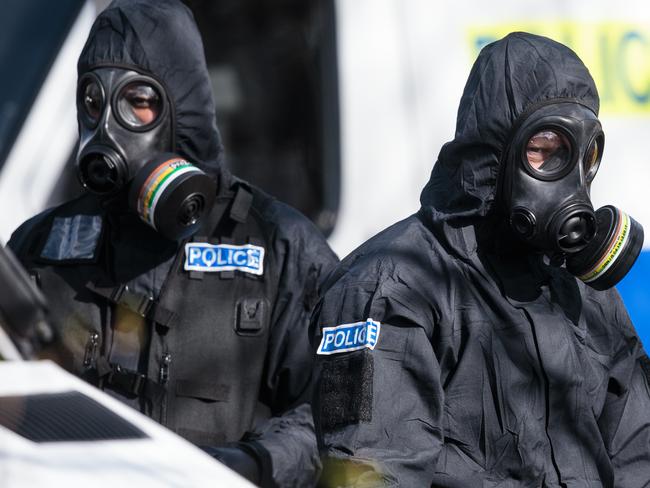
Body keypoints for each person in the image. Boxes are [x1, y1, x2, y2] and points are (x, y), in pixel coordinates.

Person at [7, 1, 338, 486]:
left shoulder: (279, 246)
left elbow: (336, 414)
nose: (107, 130)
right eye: (94, 104)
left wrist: (247, 465)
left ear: (184, 109)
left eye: (136, 102)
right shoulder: (41, 247)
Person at [312, 32, 649, 487]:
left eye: (582, 156)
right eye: (544, 152)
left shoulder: (580, 289)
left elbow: (638, 456)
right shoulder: (391, 288)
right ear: (497, 154)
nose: (570, 181)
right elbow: (375, 472)